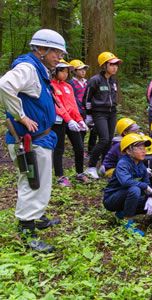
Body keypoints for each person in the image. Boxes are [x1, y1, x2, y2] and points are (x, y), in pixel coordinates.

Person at [0, 29, 66, 252]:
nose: (59, 56)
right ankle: (27, 232)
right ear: (41, 49)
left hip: (41, 139)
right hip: (30, 140)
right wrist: (21, 116)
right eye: (55, 51)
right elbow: (4, 85)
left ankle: (36, 217)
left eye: (60, 52)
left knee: (40, 181)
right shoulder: (28, 68)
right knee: (32, 182)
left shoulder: (39, 69)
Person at [103, 134, 152, 237]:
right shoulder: (123, 163)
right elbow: (125, 182)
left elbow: (147, 184)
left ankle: (121, 214)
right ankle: (129, 225)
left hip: (127, 197)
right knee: (135, 189)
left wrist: (150, 197)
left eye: (144, 148)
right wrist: (144, 186)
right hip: (112, 199)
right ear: (128, 151)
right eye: (139, 148)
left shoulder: (141, 165)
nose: (144, 151)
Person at [84, 51, 122, 179]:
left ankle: (104, 166)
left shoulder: (113, 81)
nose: (115, 67)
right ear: (104, 65)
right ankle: (91, 167)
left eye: (116, 65)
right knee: (104, 139)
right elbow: (87, 99)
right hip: (99, 113)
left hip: (112, 112)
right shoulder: (95, 80)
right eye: (112, 64)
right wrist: (88, 115)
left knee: (109, 140)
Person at [50, 59, 89, 186]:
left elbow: (73, 105)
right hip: (58, 121)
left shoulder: (68, 86)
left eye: (67, 71)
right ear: (55, 71)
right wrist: (69, 119)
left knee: (79, 147)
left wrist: (79, 120)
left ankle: (79, 173)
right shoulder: (50, 85)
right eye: (62, 71)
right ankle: (60, 176)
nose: (65, 74)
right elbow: (58, 105)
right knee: (59, 149)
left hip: (72, 121)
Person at [68, 59, 90, 144]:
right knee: (77, 131)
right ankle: (78, 148)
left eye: (84, 69)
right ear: (74, 71)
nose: (83, 71)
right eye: (80, 69)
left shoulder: (87, 82)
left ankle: (81, 149)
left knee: (84, 130)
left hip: (86, 109)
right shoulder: (71, 83)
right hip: (76, 110)